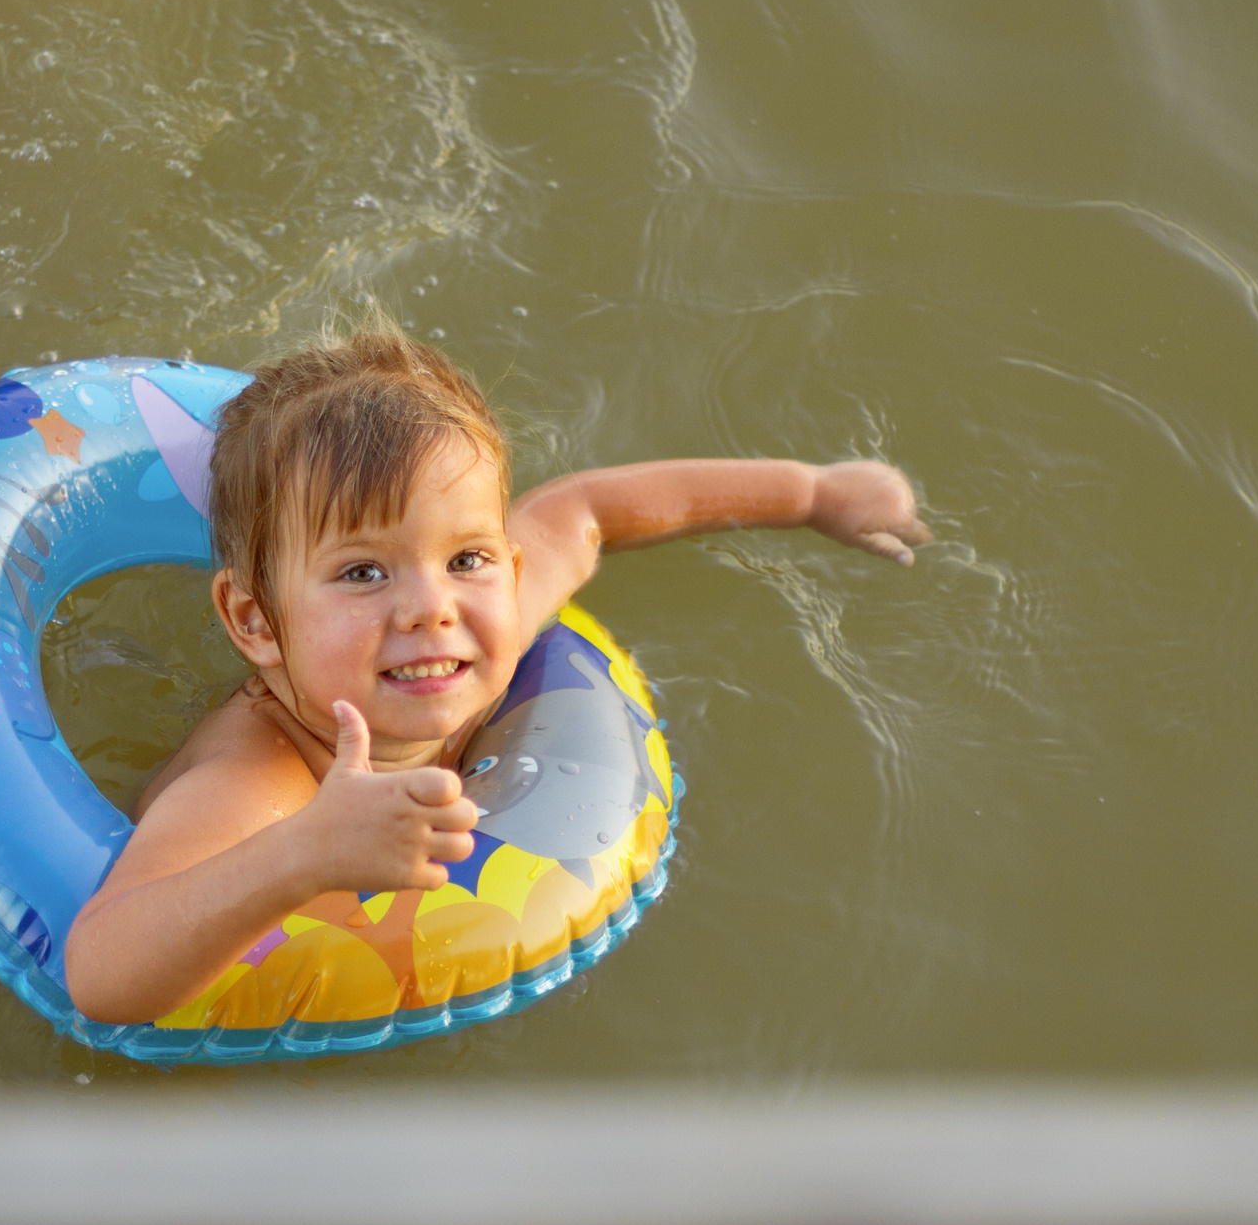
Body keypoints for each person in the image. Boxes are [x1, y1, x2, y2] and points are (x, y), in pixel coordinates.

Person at [64, 319, 929, 1023]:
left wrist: (812, 494)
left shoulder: (488, 623)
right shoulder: (256, 777)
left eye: (467, 557)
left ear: (509, 570)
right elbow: (101, 973)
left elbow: (584, 511)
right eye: (364, 571)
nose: (429, 607)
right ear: (253, 620)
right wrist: (306, 852)